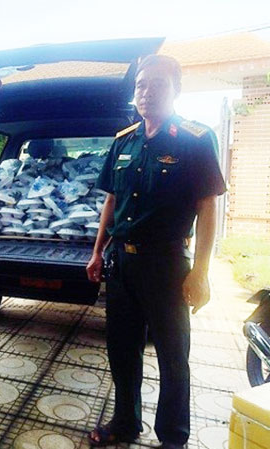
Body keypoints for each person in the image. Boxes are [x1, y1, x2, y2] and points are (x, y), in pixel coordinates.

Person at [86, 55, 226, 449]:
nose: (146, 93)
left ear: (176, 90)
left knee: (172, 355)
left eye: (157, 85)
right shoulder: (124, 140)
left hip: (167, 265)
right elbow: (112, 201)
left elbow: (207, 207)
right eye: (140, 85)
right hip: (122, 264)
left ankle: (173, 438)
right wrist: (97, 251)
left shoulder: (196, 139)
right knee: (122, 349)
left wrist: (200, 272)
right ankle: (125, 422)